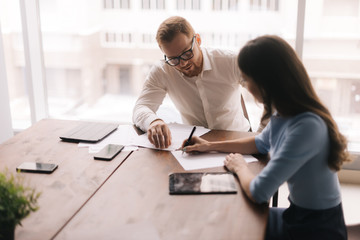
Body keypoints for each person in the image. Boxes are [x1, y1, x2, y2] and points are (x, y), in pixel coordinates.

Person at [181, 35, 351, 239]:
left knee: (229, 225)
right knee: (227, 219)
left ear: (265, 81)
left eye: (246, 78)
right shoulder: (284, 112)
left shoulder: (307, 127)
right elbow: (260, 143)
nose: (244, 84)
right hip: (299, 215)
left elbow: (259, 192)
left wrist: (239, 167)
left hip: (317, 229)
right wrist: (209, 146)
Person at [133, 16, 259, 149]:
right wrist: (153, 121)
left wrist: (263, 135)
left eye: (187, 53)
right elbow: (141, 107)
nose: (183, 63)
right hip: (195, 145)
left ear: (197, 40)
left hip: (237, 141)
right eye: (173, 59)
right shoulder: (162, 71)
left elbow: (269, 95)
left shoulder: (230, 61)